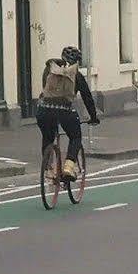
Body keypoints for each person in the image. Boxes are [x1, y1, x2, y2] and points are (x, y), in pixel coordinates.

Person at [36, 45, 101, 179]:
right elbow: (87, 97)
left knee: (48, 137)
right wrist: (93, 117)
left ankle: (48, 169)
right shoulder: (76, 75)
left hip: (43, 109)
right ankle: (68, 167)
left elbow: (45, 89)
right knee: (75, 136)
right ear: (77, 62)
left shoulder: (50, 70)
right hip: (64, 110)